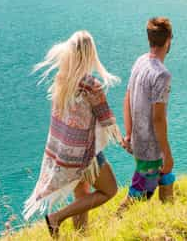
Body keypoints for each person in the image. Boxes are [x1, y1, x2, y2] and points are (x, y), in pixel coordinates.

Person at [23, 31, 123, 238]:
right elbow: (107, 120)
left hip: (64, 152)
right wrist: (125, 142)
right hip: (85, 155)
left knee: (82, 194)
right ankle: (56, 218)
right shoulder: (91, 85)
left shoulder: (63, 79)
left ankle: (81, 235)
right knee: (109, 190)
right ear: (89, 53)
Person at [119, 17, 175, 211]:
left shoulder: (140, 61)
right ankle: (117, 219)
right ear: (168, 40)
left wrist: (128, 133)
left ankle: (170, 219)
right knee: (141, 194)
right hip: (150, 147)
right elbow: (158, 118)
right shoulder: (162, 75)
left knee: (166, 178)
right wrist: (167, 153)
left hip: (138, 138)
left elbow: (127, 97)